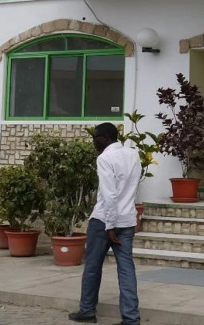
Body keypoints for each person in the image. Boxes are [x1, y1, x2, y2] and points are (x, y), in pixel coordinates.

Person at [69, 122, 141, 325]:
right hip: (127, 220)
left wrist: (110, 226)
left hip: (104, 222)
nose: (93, 142)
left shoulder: (104, 158)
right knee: (126, 269)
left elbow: (110, 195)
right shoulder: (133, 154)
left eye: (95, 138)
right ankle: (131, 319)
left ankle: (87, 311)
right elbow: (131, 187)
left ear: (105, 138)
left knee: (92, 267)